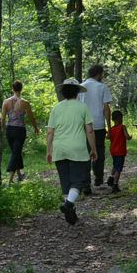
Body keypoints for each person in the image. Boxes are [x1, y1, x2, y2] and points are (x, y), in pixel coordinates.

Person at [47, 78, 97, 225]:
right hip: (78, 150)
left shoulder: (56, 108)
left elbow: (50, 132)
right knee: (79, 180)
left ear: (63, 92)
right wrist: (93, 149)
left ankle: (70, 210)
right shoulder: (82, 107)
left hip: (60, 149)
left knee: (66, 182)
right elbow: (89, 131)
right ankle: (68, 205)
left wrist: (48, 151)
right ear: (77, 92)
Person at [78, 64, 113, 190]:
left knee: (84, 153)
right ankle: (98, 178)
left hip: (83, 126)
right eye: (102, 74)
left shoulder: (80, 87)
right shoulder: (102, 87)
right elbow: (106, 108)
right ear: (98, 74)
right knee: (99, 151)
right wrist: (109, 127)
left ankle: (85, 182)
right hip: (98, 125)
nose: (102, 76)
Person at [0, 80, 40, 186]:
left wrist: (2, 129)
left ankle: (19, 175)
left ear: (12, 89)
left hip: (9, 130)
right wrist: (35, 127)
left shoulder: (6, 102)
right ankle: (10, 180)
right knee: (16, 152)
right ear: (21, 88)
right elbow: (31, 117)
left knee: (16, 151)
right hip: (20, 130)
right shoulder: (25, 103)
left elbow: (2, 118)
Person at [107, 110, 132, 192]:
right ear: (120, 118)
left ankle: (111, 177)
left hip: (113, 150)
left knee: (115, 164)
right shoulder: (122, 127)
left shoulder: (111, 129)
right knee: (118, 169)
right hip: (120, 151)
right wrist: (130, 136)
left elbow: (108, 138)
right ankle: (115, 185)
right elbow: (127, 137)